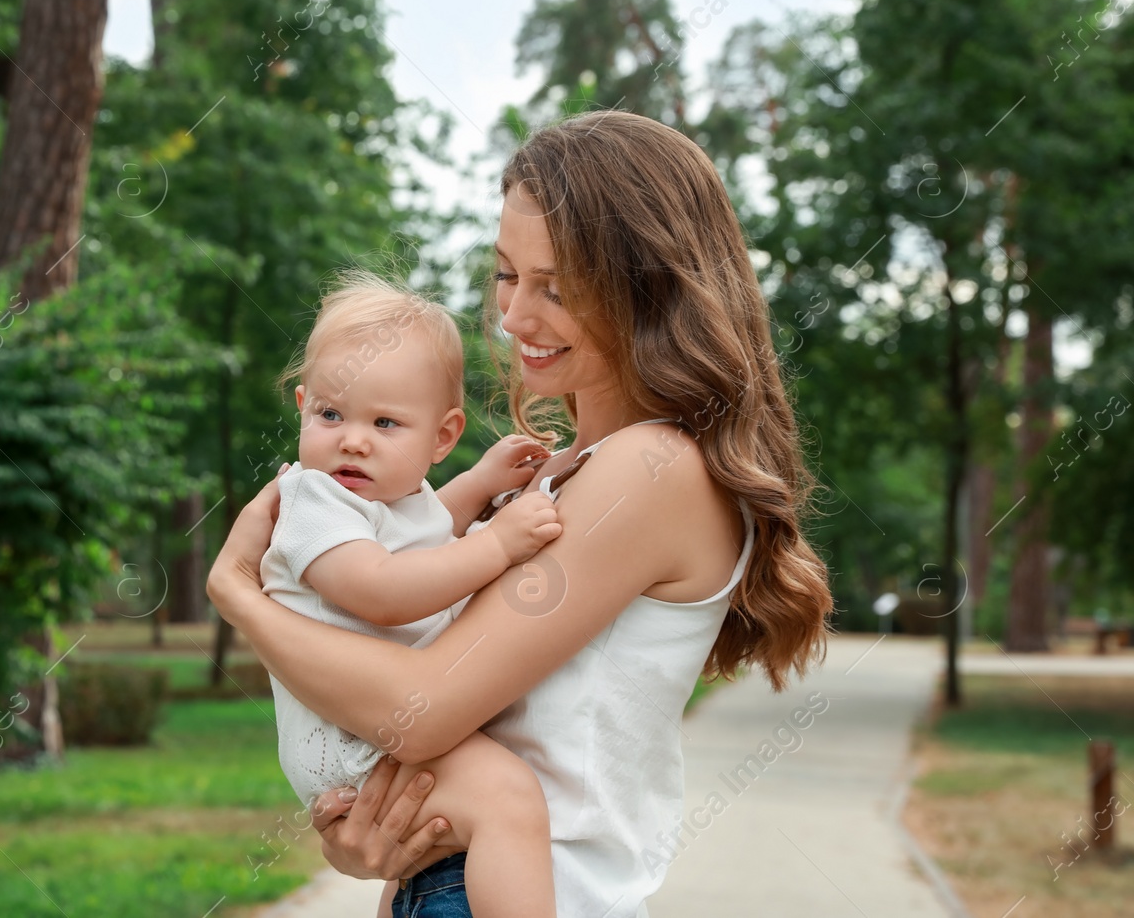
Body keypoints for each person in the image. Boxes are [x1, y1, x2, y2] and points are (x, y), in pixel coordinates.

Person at [209, 109, 833, 917]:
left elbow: (419, 706)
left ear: (649, 288)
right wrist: (365, 831)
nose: (513, 316)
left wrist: (241, 599)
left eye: (557, 288)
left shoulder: (656, 467)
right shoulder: (569, 473)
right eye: (507, 274)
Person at [262, 270, 566, 918]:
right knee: (508, 799)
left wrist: (482, 482)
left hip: (382, 727)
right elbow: (382, 591)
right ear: (301, 405)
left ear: (443, 438)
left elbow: (425, 534)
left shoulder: (390, 500)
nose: (353, 437)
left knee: (436, 856)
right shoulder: (313, 498)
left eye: (386, 422)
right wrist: (498, 544)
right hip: (354, 741)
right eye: (330, 412)